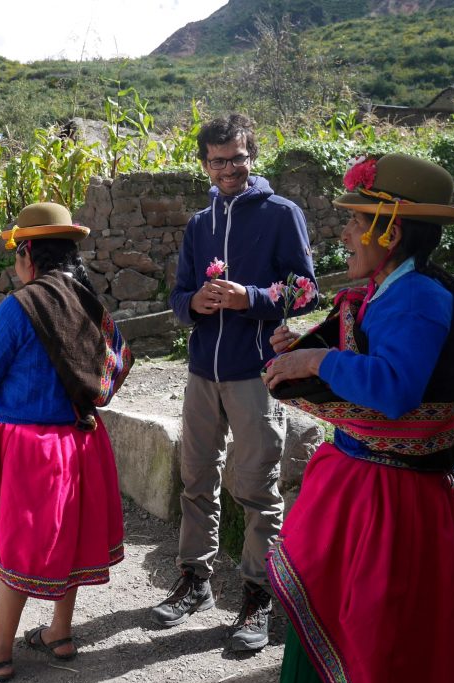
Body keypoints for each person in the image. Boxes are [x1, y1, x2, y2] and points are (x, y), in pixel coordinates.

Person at [262, 154, 454, 683]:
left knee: (379, 623)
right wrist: (304, 349)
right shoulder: (388, 288)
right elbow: (353, 343)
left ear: (391, 228)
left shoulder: (416, 296)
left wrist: (315, 364)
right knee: (349, 612)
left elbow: (393, 388)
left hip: (391, 498)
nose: (345, 232)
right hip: (365, 482)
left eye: (356, 220)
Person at [0, 202, 132, 681]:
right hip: (80, 440)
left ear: (29, 255)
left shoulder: (21, 306)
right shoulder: (87, 303)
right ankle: (60, 632)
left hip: (26, 449)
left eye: (18, 252)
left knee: (14, 543)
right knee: (71, 536)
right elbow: (116, 365)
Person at [151, 113, 317, 652]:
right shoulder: (199, 225)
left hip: (255, 374)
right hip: (203, 372)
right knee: (195, 478)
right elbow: (178, 296)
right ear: (204, 163)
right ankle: (194, 580)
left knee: (257, 487)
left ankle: (257, 594)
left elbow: (305, 291)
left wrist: (253, 298)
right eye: (217, 160)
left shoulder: (280, 214)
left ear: (252, 157)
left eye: (237, 157)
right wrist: (192, 304)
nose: (228, 168)